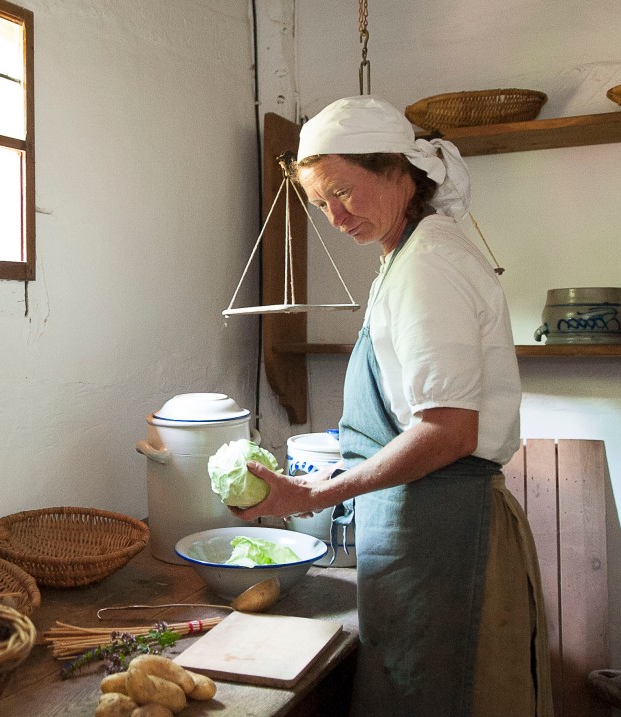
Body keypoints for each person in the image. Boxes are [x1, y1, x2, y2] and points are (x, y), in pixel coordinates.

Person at [232, 96, 551, 716]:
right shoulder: (403, 258)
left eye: (344, 192)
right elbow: (410, 419)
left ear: (398, 171)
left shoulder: (429, 264)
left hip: (449, 537)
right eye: (320, 202)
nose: (334, 216)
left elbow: (448, 433)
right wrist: (335, 473)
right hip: (419, 532)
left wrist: (316, 496)